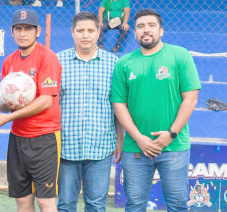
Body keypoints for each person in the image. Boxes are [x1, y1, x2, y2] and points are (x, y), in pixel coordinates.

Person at [111, 9, 202, 212]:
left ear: (161, 31)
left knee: (177, 204)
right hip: (136, 148)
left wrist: (170, 134)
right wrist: (139, 138)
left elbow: (191, 98)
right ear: (134, 33)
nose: (146, 30)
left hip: (174, 146)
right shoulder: (124, 63)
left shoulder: (180, 55)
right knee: (134, 205)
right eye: (140, 26)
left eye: (151, 25)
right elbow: (119, 104)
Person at [0, 9, 62, 212]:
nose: (23, 33)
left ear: (37, 31)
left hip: (44, 138)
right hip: (18, 138)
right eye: (18, 28)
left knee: (46, 201)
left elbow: (46, 100)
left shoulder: (48, 57)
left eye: (28, 28)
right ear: (12, 31)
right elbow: (5, 102)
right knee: (22, 200)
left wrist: (7, 118)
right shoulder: (9, 61)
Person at [56, 11, 124, 212]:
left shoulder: (114, 64)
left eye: (90, 30)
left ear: (98, 31)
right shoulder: (57, 62)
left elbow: (118, 107)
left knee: (96, 205)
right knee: (66, 204)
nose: (85, 35)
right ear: (72, 33)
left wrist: (119, 141)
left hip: (100, 147)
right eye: (80, 30)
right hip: (66, 147)